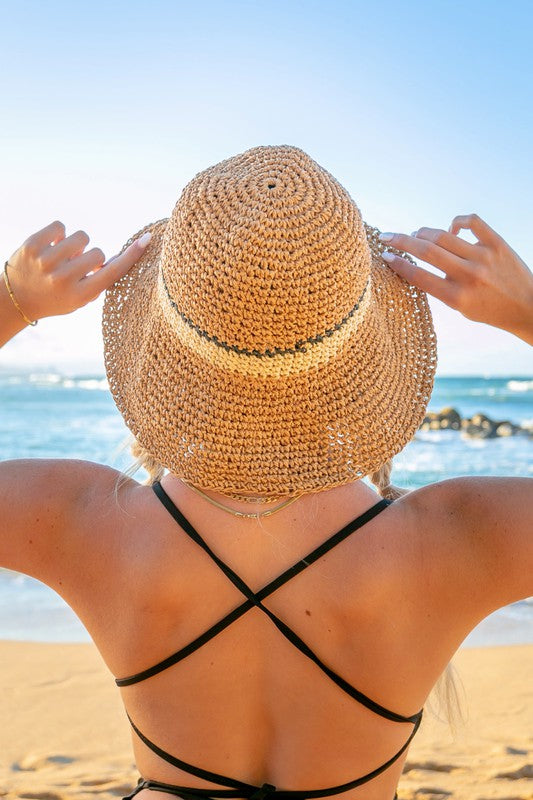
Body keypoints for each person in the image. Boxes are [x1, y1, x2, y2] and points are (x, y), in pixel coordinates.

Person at [0, 145, 532, 800]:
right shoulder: (456, 538)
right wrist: (525, 312)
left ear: (170, 335)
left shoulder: (81, 520)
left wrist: (11, 304)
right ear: (358, 339)